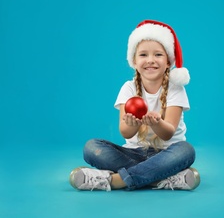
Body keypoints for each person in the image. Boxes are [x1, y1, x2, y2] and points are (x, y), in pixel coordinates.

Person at [69, 19, 200, 191]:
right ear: (134, 61)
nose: (150, 60)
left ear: (168, 61)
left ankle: (113, 180)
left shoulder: (175, 88)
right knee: (91, 147)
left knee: (186, 150)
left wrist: (157, 123)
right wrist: (133, 124)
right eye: (143, 55)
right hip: (133, 154)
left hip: (166, 153)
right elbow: (125, 131)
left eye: (158, 55)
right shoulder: (128, 88)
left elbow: (168, 133)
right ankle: (158, 177)